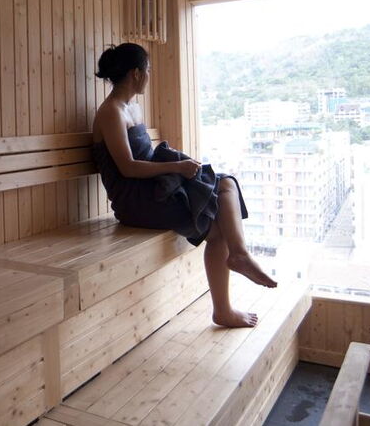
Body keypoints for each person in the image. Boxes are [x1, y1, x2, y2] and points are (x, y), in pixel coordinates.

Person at [91, 42, 277, 328]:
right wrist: (177, 167)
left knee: (226, 183)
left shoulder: (132, 108)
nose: (149, 75)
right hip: (135, 200)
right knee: (218, 230)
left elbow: (145, 157)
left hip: (154, 186)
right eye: (148, 70)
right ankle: (224, 308)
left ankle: (240, 255)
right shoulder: (110, 112)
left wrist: (179, 164)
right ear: (136, 73)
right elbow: (128, 167)